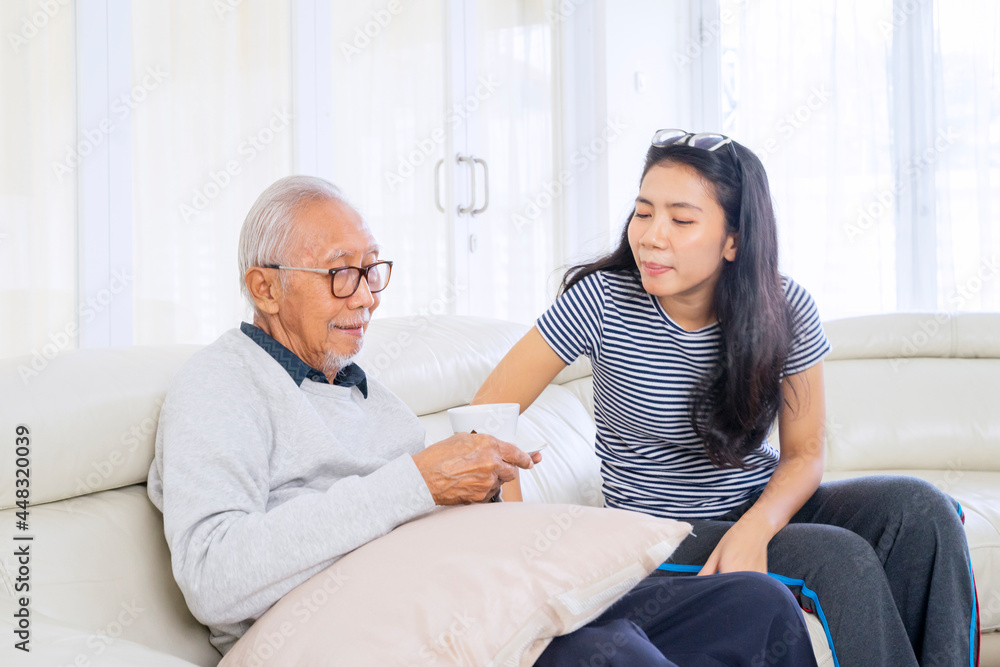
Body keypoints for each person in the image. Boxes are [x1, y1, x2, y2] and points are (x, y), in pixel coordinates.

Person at [147, 174, 816, 666]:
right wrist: (415, 481)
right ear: (264, 287)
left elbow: (417, 516)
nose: (368, 298)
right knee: (610, 656)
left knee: (756, 610)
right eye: (340, 275)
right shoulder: (222, 384)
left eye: (372, 271)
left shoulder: (370, 396)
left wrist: (487, 496)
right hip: (347, 628)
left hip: (449, 599)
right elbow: (214, 576)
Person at [473, 130, 981, 666]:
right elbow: (488, 413)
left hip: (757, 504)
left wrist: (753, 529)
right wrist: (519, 534)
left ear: (734, 240)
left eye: (682, 219)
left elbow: (805, 455)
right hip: (659, 531)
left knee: (921, 509)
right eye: (643, 213)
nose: (650, 236)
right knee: (840, 559)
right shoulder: (602, 300)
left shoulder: (785, 307)